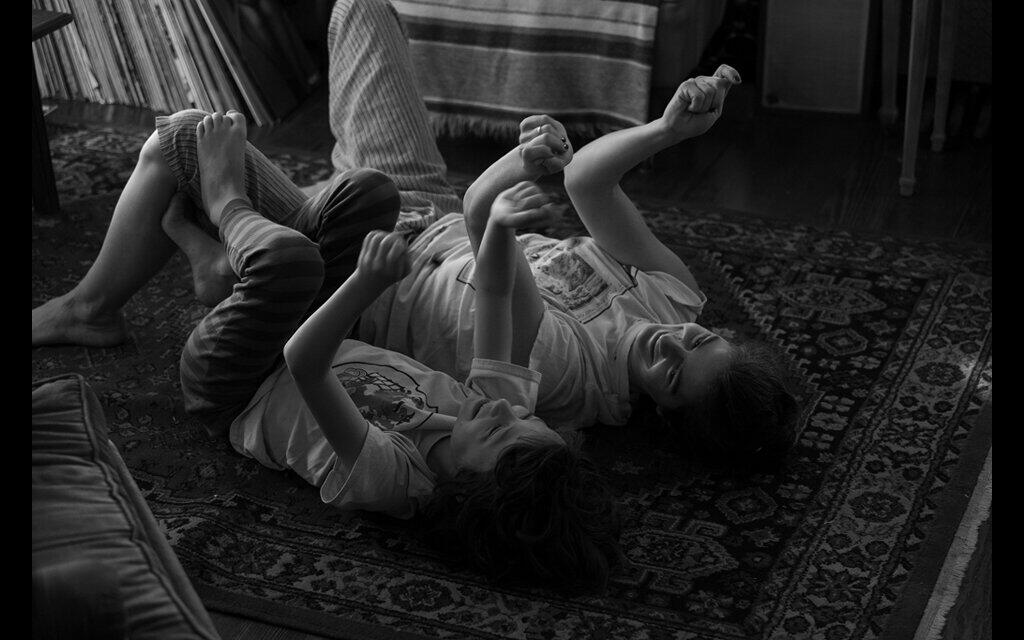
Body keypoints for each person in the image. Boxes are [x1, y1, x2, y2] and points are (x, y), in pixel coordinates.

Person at [324, 0, 800, 467]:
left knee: (282, 224)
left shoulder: (569, 377)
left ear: (663, 413)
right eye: (698, 341)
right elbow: (587, 182)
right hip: (427, 206)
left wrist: (524, 161)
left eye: (672, 375)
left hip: (359, 271)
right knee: (363, 8)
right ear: (719, 334)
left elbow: (483, 214)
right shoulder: (675, 299)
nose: (669, 342)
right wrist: (668, 129)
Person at [175, 111, 622, 589]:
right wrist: (499, 224)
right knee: (370, 193)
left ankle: (225, 205)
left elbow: (304, 363)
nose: (503, 410)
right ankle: (218, 265)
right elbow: (495, 292)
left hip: (237, 383)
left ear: (464, 490)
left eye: (499, 432)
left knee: (291, 263)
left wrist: (365, 283)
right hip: (306, 329)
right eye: (527, 418)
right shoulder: (497, 410)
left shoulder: (394, 478)